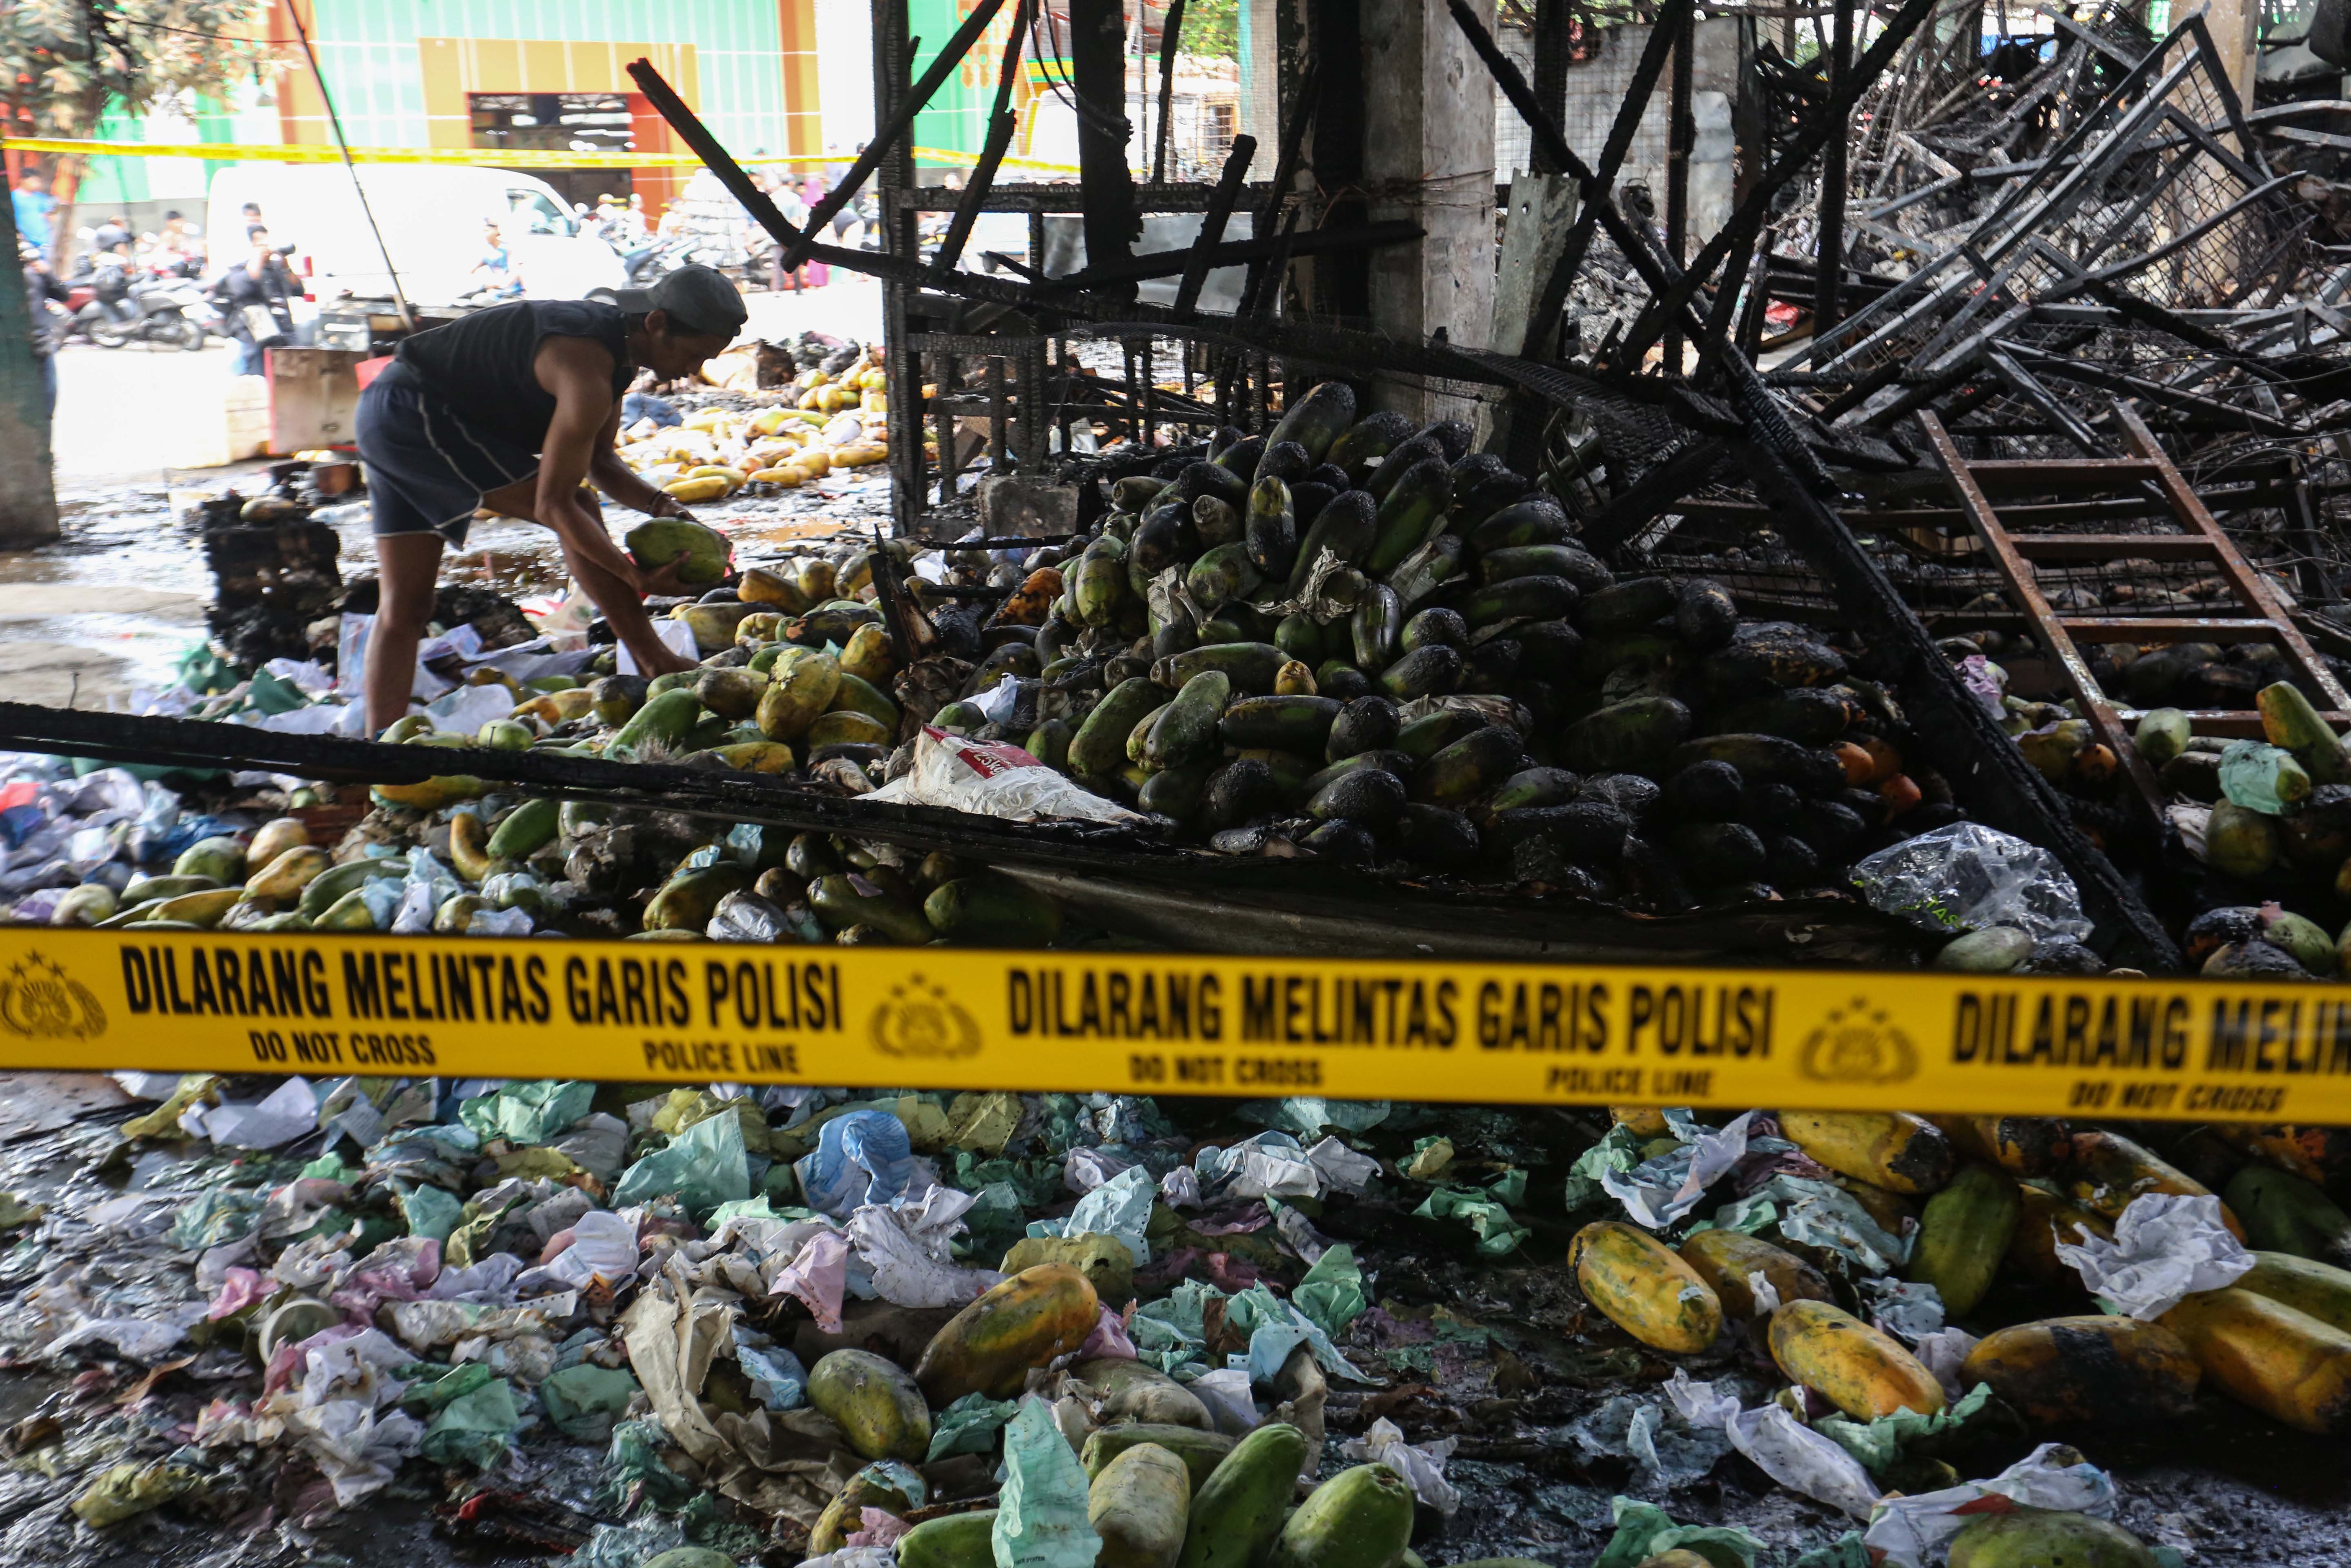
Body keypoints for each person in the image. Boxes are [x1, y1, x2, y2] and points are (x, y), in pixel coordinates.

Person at [354, 264, 747, 731]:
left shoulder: (613, 354)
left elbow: (601, 461)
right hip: (416, 414)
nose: (694, 370)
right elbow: (555, 504)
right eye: (694, 354)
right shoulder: (586, 366)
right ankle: (653, 659)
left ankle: (377, 750)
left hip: (387, 412)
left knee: (406, 606)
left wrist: (663, 506)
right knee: (577, 507)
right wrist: (634, 576)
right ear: (656, 323)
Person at [212, 223, 299, 375]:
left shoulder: (275, 268)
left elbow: (298, 290)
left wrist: (286, 266)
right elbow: (242, 289)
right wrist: (258, 256)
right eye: (260, 244)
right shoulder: (238, 270)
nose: (266, 249)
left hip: (281, 335)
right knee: (256, 384)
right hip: (253, 339)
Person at [21, 241, 68, 417]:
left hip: (38, 341)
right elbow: (63, 295)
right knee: (47, 392)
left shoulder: (36, 274)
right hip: (35, 341)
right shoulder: (34, 275)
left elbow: (63, 295)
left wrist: (47, 273)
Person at [471, 222, 521, 297]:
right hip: (493, 287)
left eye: (487, 231)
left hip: (508, 289)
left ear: (496, 230)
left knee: (482, 299)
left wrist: (501, 285)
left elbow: (514, 272)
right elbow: (473, 269)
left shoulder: (507, 249)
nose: (484, 235)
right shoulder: (486, 250)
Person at [11, 173, 55, 258]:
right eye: (34, 181)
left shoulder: (40, 197)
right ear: (23, 181)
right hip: (25, 242)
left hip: (44, 242)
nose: (37, 184)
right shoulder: (14, 197)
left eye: (38, 181)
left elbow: (49, 215)